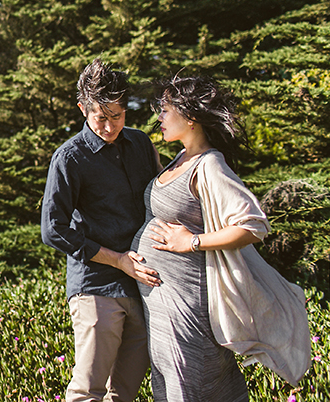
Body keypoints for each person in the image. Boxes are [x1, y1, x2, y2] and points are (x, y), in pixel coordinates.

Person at [132, 74, 312, 401]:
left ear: (191, 117)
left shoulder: (209, 164)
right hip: (162, 303)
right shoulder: (180, 158)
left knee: (189, 387)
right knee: (170, 386)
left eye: (165, 109)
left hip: (186, 305)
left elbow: (252, 224)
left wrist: (192, 242)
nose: (159, 116)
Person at [41, 59, 162, 402]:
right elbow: (53, 230)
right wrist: (118, 260)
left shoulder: (141, 144)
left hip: (142, 285)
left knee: (124, 393)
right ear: (83, 108)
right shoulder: (69, 158)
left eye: (118, 116)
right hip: (95, 286)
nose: (110, 126)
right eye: (100, 117)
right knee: (87, 392)